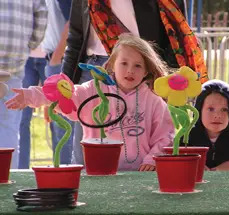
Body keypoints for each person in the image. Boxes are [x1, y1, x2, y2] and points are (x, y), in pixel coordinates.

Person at [61, 0, 207, 164]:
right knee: (85, 156)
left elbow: (174, 33)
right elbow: (75, 37)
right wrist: (62, 84)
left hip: (142, 70)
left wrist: (165, 82)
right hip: (93, 69)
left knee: (141, 152)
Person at [5, 34, 175, 171]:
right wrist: (29, 96)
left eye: (138, 66)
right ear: (111, 65)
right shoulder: (93, 90)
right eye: (124, 63)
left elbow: (165, 136)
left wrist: (152, 159)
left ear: (146, 71)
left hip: (139, 175)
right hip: (97, 174)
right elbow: (63, 92)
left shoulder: (154, 101)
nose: (130, 70)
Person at [0, 0, 47, 168]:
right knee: (9, 125)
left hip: (15, 59)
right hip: (14, 59)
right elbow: (41, 16)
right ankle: (7, 176)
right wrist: (28, 47)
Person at [41, 0, 74, 165]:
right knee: (57, 124)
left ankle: (65, 175)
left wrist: (56, 59)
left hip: (60, 60)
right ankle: (60, 172)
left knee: (63, 126)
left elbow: (72, 23)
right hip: (52, 59)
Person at [18, 48, 47, 169]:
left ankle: (61, 168)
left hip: (50, 57)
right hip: (26, 59)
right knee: (23, 120)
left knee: (55, 118)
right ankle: (21, 170)